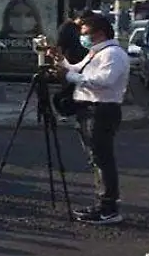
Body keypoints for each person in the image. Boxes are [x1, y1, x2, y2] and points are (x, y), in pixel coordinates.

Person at [52, 12, 130, 225]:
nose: (82, 37)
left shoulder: (112, 54)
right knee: (95, 158)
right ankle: (102, 203)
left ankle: (108, 208)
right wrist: (61, 63)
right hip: (88, 108)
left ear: (100, 33)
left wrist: (70, 76)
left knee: (102, 159)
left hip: (102, 109)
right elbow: (77, 69)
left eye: (85, 33)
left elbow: (103, 81)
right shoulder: (96, 52)